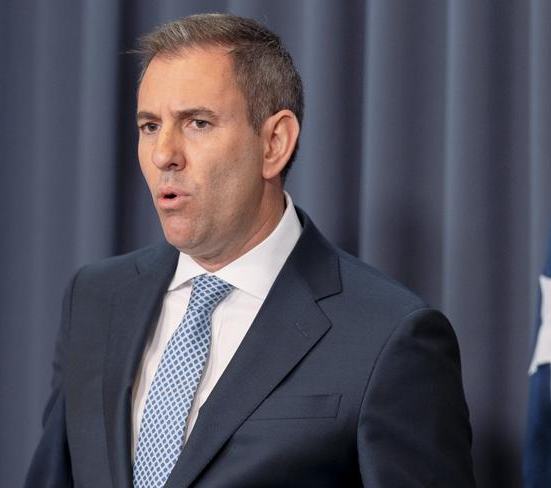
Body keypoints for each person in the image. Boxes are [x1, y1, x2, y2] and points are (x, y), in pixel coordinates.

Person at [25, 13, 475, 487]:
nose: (164, 155)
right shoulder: (96, 299)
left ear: (274, 144)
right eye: (150, 125)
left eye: (197, 123)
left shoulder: (388, 336)